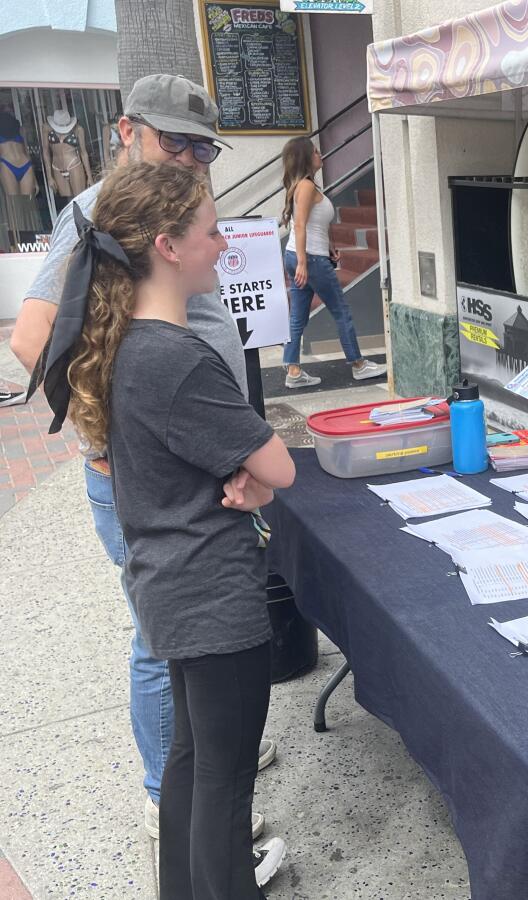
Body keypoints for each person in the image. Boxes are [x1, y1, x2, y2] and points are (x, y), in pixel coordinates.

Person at [10, 74, 278, 848]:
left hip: (206, 469)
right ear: (127, 130)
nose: (193, 159)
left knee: (187, 646)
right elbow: (32, 342)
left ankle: (200, 774)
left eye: (205, 147)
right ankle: (179, 801)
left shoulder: (172, 204)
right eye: (174, 142)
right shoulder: (100, 211)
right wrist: (119, 445)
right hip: (161, 481)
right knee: (163, 644)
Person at [62, 161, 293, 898]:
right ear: (167, 245)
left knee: (191, 767)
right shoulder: (178, 357)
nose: (222, 243)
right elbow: (280, 464)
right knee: (224, 790)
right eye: (211, 230)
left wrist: (246, 474)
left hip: (169, 588)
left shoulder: (126, 342)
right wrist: (254, 476)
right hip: (213, 599)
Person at [278, 135, 385, 388]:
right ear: (306, 157)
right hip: (309, 259)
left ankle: (293, 371)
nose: (320, 155)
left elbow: (316, 224)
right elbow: (301, 224)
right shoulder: (305, 187)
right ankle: (358, 365)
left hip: (307, 254)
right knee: (341, 311)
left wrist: (330, 247)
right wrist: (304, 263)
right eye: (316, 152)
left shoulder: (307, 186)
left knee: (298, 315)